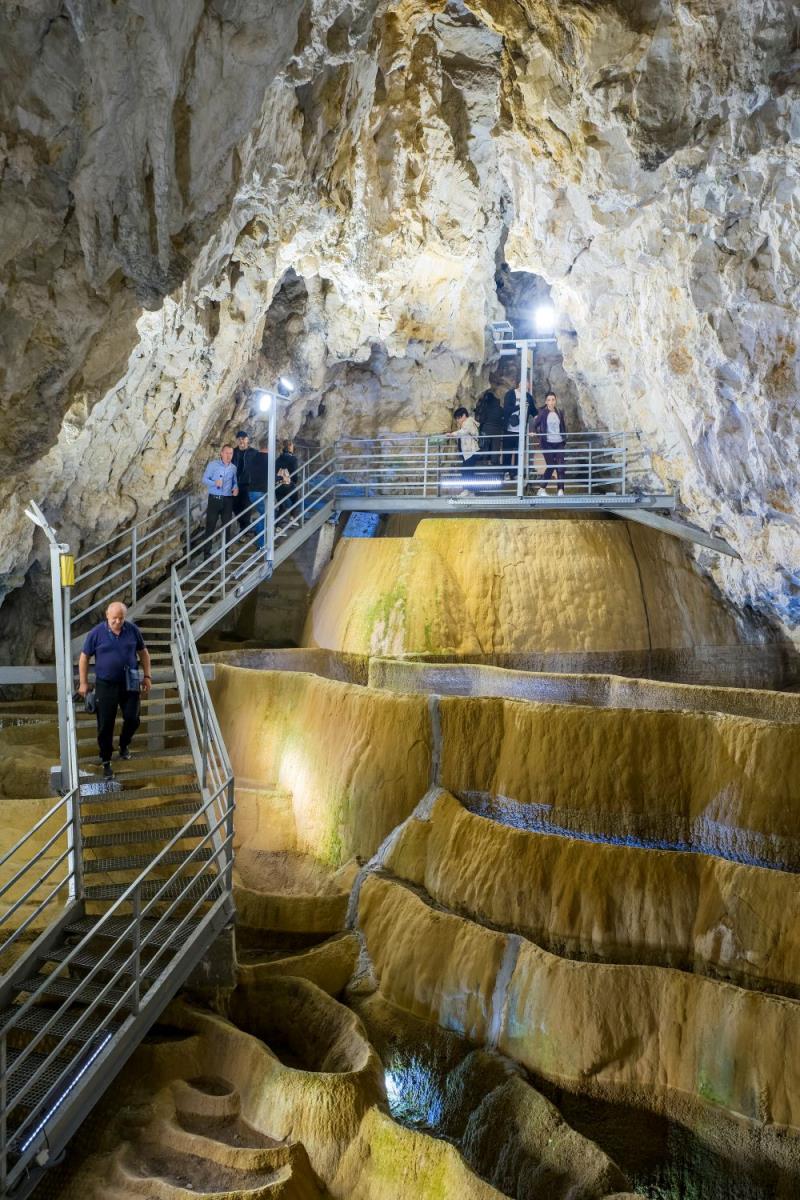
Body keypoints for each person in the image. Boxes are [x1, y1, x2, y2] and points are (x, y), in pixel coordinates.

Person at [78, 601, 152, 779]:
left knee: (133, 718)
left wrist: (147, 676)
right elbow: (84, 657)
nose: (118, 622)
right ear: (107, 616)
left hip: (130, 681)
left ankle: (124, 744)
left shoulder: (132, 630)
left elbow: (143, 653)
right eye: (114, 619)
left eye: (121, 618)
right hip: (106, 684)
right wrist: (83, 682)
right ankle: (106, 761)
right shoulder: (96, 633)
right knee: (105, 724)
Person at [201, 444, 238, 558]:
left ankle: (225, 552)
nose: (228, 455)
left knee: (226, 526)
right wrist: (214, 483)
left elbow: (234, 482)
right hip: (214, 499)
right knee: (210, 525)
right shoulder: (213, 465)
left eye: (231, 453)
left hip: (228, 500)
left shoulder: (233, 468)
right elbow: (204, 479)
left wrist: (236, 487)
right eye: (226, 453)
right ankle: (207, 554)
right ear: (221, 453)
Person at [533, 391, 567, 495]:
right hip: (547, 443)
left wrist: (564, 438)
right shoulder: (543, 412)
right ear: (546, 402)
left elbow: (563, 427)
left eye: (553, 400)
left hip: (559, 442)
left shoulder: (559, 412)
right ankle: (541, 489)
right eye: (549, 400)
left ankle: (560, 490)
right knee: (551, 465)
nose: (551, 402)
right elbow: (535, 424)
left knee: (561, 466)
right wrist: (532, 432)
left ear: (555, 401)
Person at [502, 382, 534, 476]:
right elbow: (506, 409)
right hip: (509, 429)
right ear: (519, 385)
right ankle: (506, 473)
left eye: (527, 387)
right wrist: (519, 406)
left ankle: (516, 474)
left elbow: (533, 411)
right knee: (507, 452)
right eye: (525, 386)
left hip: (521, 431)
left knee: (518, 454)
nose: (526, 389)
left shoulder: (528, 397)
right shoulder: (510, 394)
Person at [448, 406, 481, 495]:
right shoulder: (467, 423)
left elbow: (464, 432)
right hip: (469, 452)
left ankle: (467, 490)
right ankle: (470, 491)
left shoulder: (468, 422)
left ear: (464, 415)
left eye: (458, 418)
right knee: (467, 471)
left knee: (466, 471)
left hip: (471, 451)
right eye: (456, 419)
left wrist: (452, 434)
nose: (458, 420)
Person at [232, 430, 258, 533]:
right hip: (235, 485)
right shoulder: (233, 452)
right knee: (235, 506)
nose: (241, 440)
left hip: (248, 484)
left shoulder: (254, 453)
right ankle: (245, 527)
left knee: (246, 507)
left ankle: (245, 529)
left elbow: (259, 468)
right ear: (237, 440)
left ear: (247, 439)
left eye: (243, 438)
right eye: (239, 439)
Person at [475, 383, 505, 468]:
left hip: (486, 429)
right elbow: (503, 417)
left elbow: (482, 418)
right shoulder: (499, 408)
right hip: (497, 430)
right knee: (495, 447)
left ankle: (483, 462)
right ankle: (494, 463)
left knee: (485, 446)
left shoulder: (485, 407)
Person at [248, 436, 270, 549]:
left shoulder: (253, 457)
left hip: (251, 492)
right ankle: (261, 544)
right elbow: (270, 477)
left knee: (263, 515)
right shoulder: (268, 459)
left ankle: (260, 539)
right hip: (261, 492)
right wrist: (281, 478)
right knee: (266, 516)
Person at [275, 439, 299, 521]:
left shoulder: (278, 459)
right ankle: (293, 517)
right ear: (289, 447)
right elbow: (294, 473)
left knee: (282, 506)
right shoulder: (293, 459)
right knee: (295, 498)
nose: (293, 447)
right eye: (292, 446)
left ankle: (278, 526)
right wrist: (294, 481)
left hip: (278, 485)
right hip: (288, 484)